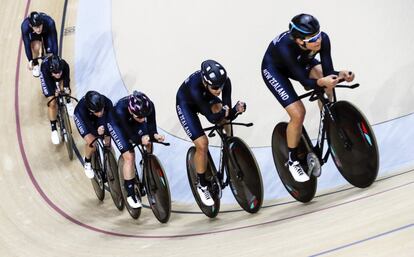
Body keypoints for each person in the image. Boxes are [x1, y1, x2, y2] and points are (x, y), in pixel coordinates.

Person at [261, 13, 355, 182]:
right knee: (298, 113)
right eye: (312, 39)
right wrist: (321, 81)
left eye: (318, 35)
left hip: (300, 61)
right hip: (275, 69)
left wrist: (340, 74)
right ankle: (292, 160)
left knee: (326, 83)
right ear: (298, 40)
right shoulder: (285, 47)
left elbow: (327, 73)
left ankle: (330, 122)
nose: (317, 41)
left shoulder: (323, 39)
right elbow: (304, 80)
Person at [176, 59, 246, 206]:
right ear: (205, 81)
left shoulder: (224, 82)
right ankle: (201, 184)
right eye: (215, 87)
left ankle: (228, 146)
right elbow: (212, 118)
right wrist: (233, 111)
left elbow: (225, 112)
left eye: (221, 86)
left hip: (205, 96)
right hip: (186, 104)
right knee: (202, 144)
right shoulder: (195, 87)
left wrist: (230, 112)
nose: (219, 90)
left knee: (222, 114)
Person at [108, 91, 165, 208]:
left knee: (148, 141)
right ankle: (130, 194)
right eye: (140, 117)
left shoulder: (148, 106)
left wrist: (154, 135)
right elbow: (131, 135)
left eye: (145, 116)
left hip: (132, 121)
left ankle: (146, 164)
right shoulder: (120, 111)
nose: (143, 119)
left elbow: (151, 126)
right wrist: (139, 140)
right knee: (129, 156)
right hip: (117, 124)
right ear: (131, 110)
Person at [73, 91, 113, 180]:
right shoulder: (81, 110)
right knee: (92, 142)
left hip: (96, 119)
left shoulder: (107, 102)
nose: (100, 113)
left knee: (108, 139)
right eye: (97, 112)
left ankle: (110, 161)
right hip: (83, 119)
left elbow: (111, 120)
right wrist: (96, 132)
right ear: (91, 110)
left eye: (101, 110)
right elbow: (90, 129)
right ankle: (87, 162)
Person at [40, 55, 74, 144]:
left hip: (60, 75)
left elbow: (66, 80)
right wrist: (53, 92)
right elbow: (48, 86)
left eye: (59, 72)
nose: (58, 74)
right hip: (48, 79)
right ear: (52, 71)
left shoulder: (64, 65)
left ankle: (68, 101)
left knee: (65, 89)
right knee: (52, 102)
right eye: (56, 73)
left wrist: (66, 90)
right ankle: (53, 129)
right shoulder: (45, 69)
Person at [21, 11, 58, 77]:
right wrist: (30, 60)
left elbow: (54, 41)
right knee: (35, 47)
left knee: (50, 52)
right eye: (36, 27)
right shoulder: (25, 27)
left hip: (47, 32)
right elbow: (27, 45)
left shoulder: (50, 22)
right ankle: (36, 64)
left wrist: (55, 57)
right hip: (34, 34)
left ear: (42, 23)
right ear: (30, 25)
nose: (38, 29)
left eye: (39, 26)